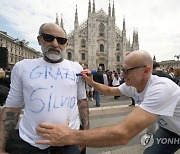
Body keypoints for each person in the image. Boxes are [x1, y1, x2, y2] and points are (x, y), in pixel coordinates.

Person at [36, 50, 180, 154]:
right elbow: (108, 91)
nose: (122, 74)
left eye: (127, 71)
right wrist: (90, 82)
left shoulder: (162, 89)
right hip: (169, 130)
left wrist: (70, 136)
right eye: (122, 69)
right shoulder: (133, 85)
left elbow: (123, 134)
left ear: (147, 71)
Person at [0, 23, 89, 154]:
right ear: (39, 39)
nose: (55, 43)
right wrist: (1, 148)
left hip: (70, 141)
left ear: (66, 44)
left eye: (61, 40)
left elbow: (82, 103)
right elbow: (12, 108)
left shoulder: (76, 68)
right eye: (48, 37)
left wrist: (84, 137)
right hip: (31, 144)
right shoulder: (22, 67)